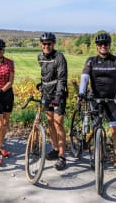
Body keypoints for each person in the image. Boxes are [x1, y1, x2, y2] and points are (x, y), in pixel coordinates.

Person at [78, 33, 116, 181]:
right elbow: (84, 78)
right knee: (95, 128)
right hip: (95, 99)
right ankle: (95, 155)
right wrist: (81, 92)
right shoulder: (91, 61)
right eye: (100, 44)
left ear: (109, 45)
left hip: (113, 99)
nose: (103, 46)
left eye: (106, 44)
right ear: (97, 46)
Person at [38, 32, 68, 171]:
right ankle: (55, 148)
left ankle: (62, 156)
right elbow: (45, 75)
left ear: (53, 44)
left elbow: (62, 78)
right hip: (46, 93)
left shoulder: (59, 57)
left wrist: (58, 96)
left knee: (58, 123)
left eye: (49, 43)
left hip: (58, 94)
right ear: (41, 45)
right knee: (50, 121)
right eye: (44, 44)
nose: (46, 46)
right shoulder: (40, 57)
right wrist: (41, 84)